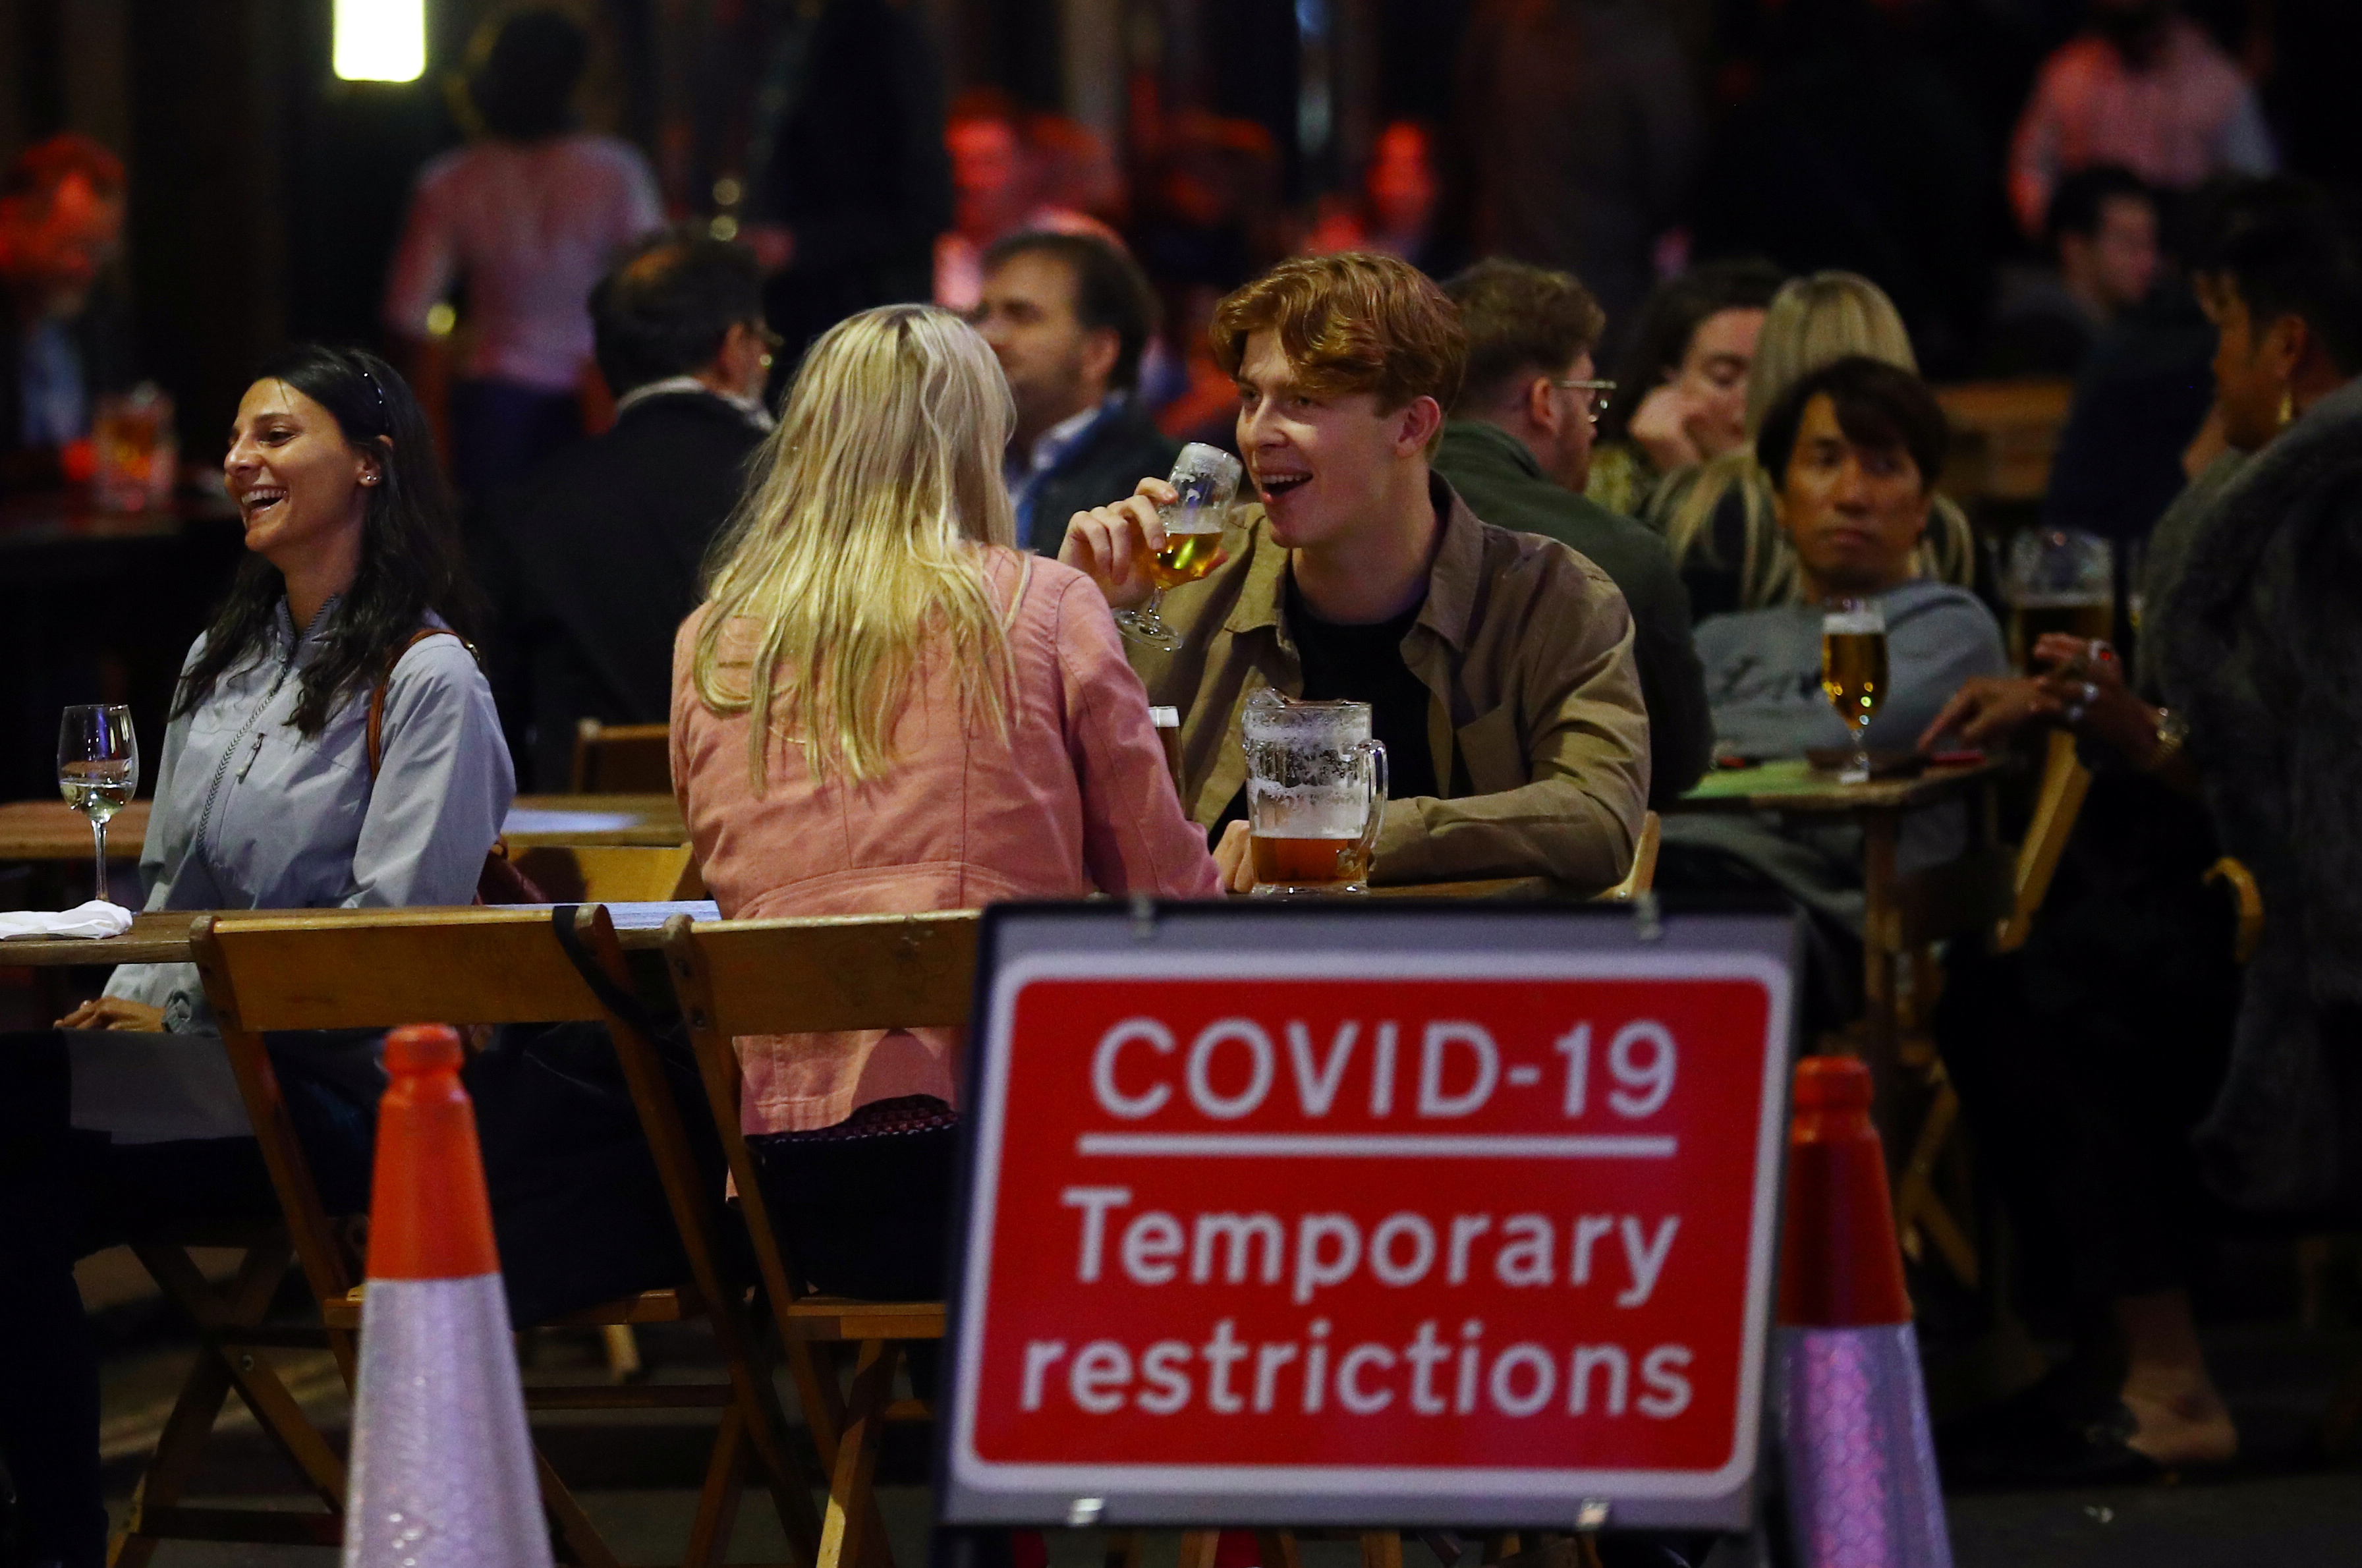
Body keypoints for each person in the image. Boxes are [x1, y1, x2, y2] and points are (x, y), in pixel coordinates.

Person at [0, 346, 513, 1568]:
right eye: (237, 440)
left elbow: (389, 956)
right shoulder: (217, 660)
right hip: (195, 1078)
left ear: (374, 466)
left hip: (338, 1095)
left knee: (6, 1131)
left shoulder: (430, 680)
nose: (240, 462)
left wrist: (181, 1019)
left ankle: (58, 1539)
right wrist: (127, 1003)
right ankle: (53, 1533)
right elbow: (172, 892)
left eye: (277, 436)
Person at [1923, 182, 2362, 1480]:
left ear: (2285, 347)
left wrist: (2133, 733)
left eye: (2226, 340)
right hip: (2278, 909)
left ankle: (2162, 1374)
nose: (2209, 370)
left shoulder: (2315, 503)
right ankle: (2120, 1359)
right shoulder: (2294, 481)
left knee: (2025, 1002)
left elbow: (2301, 788)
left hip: (2308, 954)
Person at [671, 304, 1219, 1298]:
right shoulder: (1041, 602)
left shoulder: (709, 638)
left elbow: (726, 874)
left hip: (787, 1184)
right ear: (979, 447)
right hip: (1015, 1165)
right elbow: (1163, 891)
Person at [1061, 252, 1651, 894]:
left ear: (1411, 425)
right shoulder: (1183, 577)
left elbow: (1599, 817)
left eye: (1305, 400)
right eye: (1252, 397)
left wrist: (1353, 839)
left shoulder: (1552, 598)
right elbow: (1057, 817)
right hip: (1223, 980)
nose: (1258, 434)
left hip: (1449, 980)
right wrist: (1077, 622)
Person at [484, 231, 777, 790]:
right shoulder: (804, 490)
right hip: (775, 841)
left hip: (598, 856)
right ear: (735, 347)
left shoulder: (527, 506)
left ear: (601, 365)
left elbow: (493, 724)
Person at [1434, 258, 1711, 803]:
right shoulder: (1623, 553)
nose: (1594, 427)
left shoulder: (1354, 532)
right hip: (1561, 873)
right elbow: (1676, 766)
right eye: (1589, 402)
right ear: (1545, 403)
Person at [382, 7, 663, 498]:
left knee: (498, 559)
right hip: (595, 400)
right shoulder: (615, 171)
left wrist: (431, 448)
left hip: (492, 410)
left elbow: (408, 317)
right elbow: (660, 289)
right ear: (576, 80)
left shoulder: (450, 179)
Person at [1646, 271, 1980, 619]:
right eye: (1825, 460)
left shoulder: (1700, 510)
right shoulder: (1949, 530)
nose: (1851, 495)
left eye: (1881, 465)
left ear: (1768, 367)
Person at [1452, 0, 1702, 350]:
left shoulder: (1505, 19)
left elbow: (1469, 130)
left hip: (1506, 276)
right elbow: (1671, 171)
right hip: (1608, 288)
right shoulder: (1641, 36)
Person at [741, 0, 951, 358]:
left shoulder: (884, 41)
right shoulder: (773, 30)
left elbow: (924, 208)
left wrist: (799, 245)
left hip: (865, 326)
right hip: (787, 317)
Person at [973, 231, 1175, 555]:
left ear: (1097, 353)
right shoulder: (960, 456)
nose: (986, 335)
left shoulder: (1156, 487)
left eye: (1021, 315)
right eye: (981, 315)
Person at [2009, 0, 2275, 240]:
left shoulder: (2218, 83)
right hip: (2088, 261)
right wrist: (2056, 234)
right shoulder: (2068, 73)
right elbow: (2030, 168)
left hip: (2180, 256)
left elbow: (2254, 186)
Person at [1587, 259, 1786, 518]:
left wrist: (1685, 474)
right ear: (1667, 381)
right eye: (1724, 378)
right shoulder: (1602, 487)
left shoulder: (1808, 490)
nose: (1753, 399)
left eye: (1770, 376)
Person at [0, 133, 130, 490]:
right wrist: (65, 464)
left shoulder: (96, 324)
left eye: (100, 252)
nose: (86, 270)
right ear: (11, 220)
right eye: (73, 246)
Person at [1985, 165, 2163, 378]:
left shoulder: (2133, 329)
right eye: (2128, 243)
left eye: (2150, 243)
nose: (2147, 261)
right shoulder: (2038, 341)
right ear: (2075, 249)